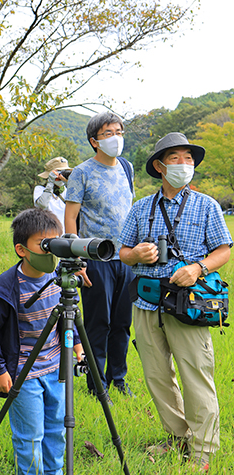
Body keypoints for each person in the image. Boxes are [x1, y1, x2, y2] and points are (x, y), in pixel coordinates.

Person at [119, 132, 231, 472]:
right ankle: (178, 436)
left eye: (189, 159)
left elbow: (224, 250)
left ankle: (204, 451)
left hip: (189, 301)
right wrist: (136, 253)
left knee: (195, 374)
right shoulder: (141, 208)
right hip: (148, 302)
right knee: (156, 376)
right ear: (159, 165)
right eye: (176, 158)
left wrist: (197, 268)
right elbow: (123, 252)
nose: (184, 164)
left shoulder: (206, 205)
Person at [0, 207, 83, 475]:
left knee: (56, 431)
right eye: (45, 244)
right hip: (24, 374)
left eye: (56, 242)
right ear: (22, 250)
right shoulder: (4, 288)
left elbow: (68, 319)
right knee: (30, 437)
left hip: (57, 371)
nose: (52, 251)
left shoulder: (60, 281)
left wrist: (77, 347)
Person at [64, 111, 135, 398]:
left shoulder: (127, 168)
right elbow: (71, 219)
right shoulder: (82, 172)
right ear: (94, 141)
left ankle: (118, 379)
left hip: (127, 258)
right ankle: (97, 385)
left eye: (118, 131)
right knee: (98, 323)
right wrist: (76, 261)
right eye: (108, 133)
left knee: (122, 323)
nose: (115, 137)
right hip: (96, 259)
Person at [34, 156, 72, 229]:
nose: (61, 176)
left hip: (65, 234)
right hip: (48, 233)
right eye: (59, 172)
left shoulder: (67, 191)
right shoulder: (40, 189)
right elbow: (43, 205)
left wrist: (68, 182)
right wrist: (51, 182)